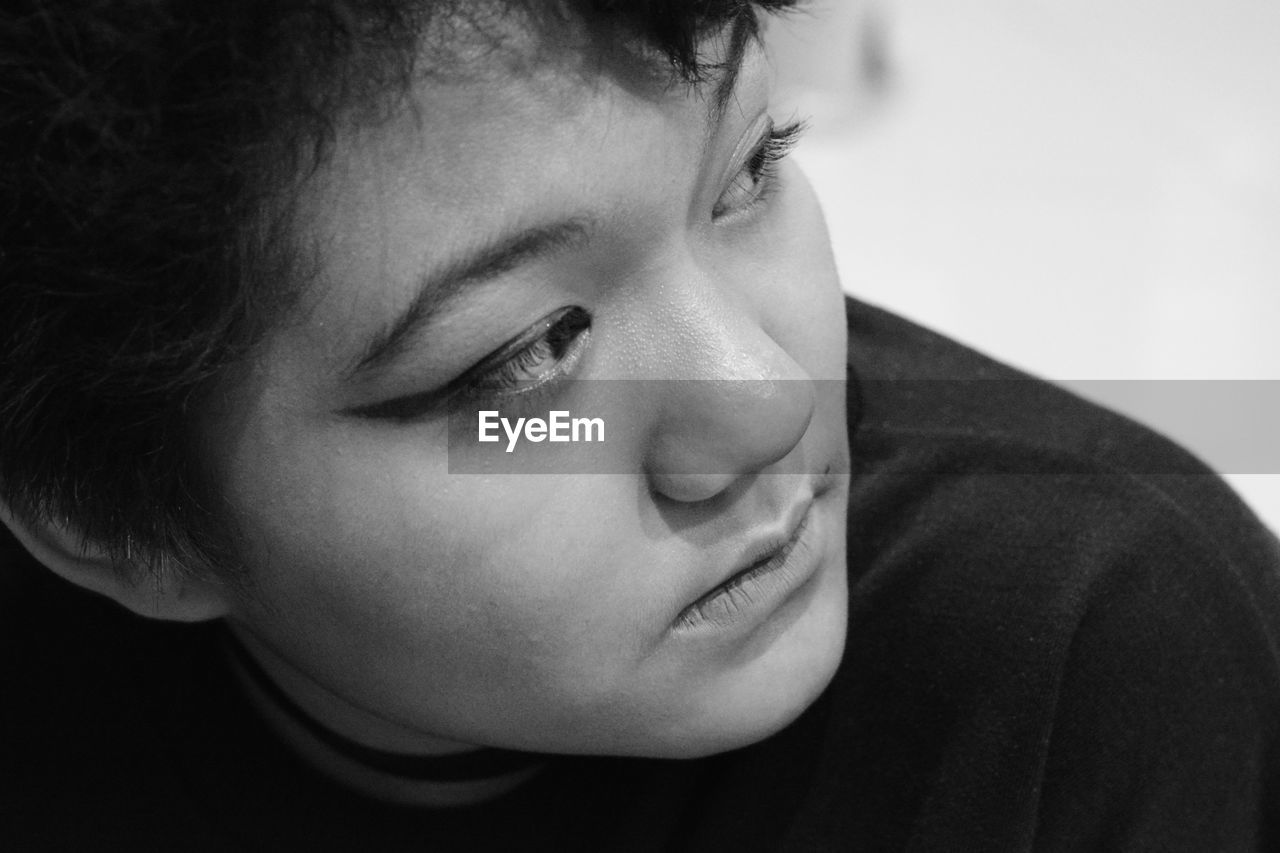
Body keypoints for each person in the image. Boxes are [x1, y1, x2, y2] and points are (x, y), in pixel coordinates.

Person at [0, 1, 1276, 849]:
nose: (770, 404)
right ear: (113, 520)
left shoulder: (1088, 653)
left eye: (752, 169)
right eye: (526, 359)